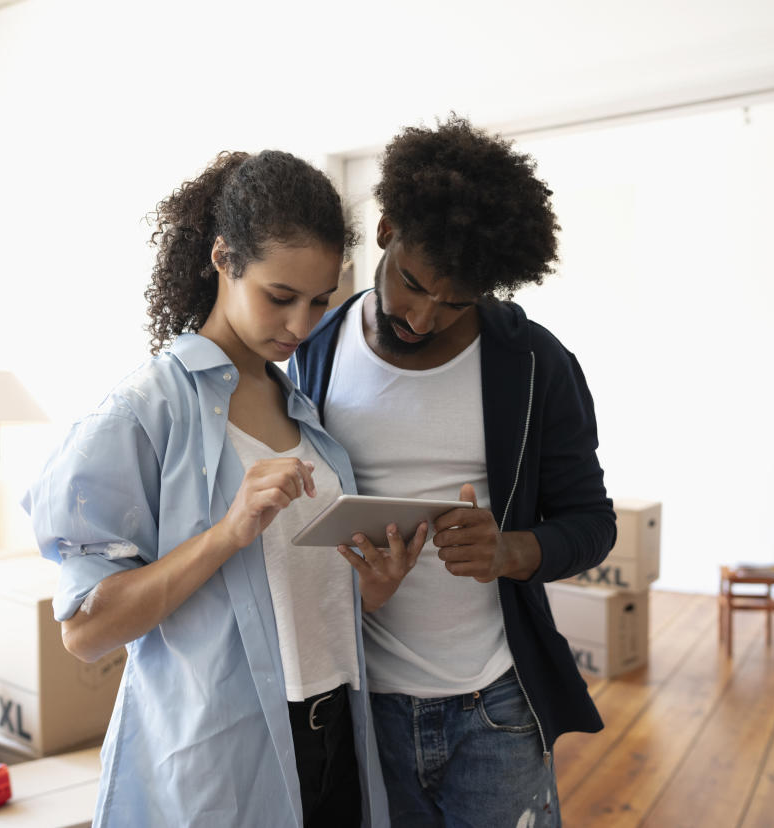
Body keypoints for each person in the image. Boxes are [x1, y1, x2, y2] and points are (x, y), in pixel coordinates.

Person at [23, 150, 424, 826]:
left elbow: (285, 609)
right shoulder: (143, 411)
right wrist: (227, 533)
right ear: (224, 259)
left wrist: (372, 587)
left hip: (338, 737)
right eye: (279, 296)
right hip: (222, 762)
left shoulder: (305, 412)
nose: (301, 327)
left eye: (320, 301)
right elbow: (85, 632)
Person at [290, 116, 617, 826]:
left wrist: (513, 549)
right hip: (359, 704)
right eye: (414, 283)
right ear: (384, 231)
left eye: (458, 300)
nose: (425, 316)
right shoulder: (311, 351)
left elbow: (594, 525)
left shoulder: (533, 365)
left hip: (494, 708)